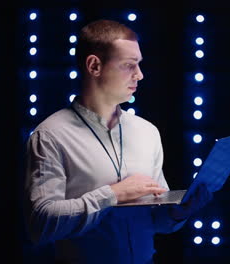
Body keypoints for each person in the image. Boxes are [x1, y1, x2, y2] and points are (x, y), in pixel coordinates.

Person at [23, 19, 212, 263]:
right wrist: (111, 195)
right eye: (128, 65)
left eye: (139, 65)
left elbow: (154, 221)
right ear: (94, 66)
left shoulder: (148, 132)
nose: (140, 75)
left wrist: (178, 213)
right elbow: (40, 224)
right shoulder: (50, 136)